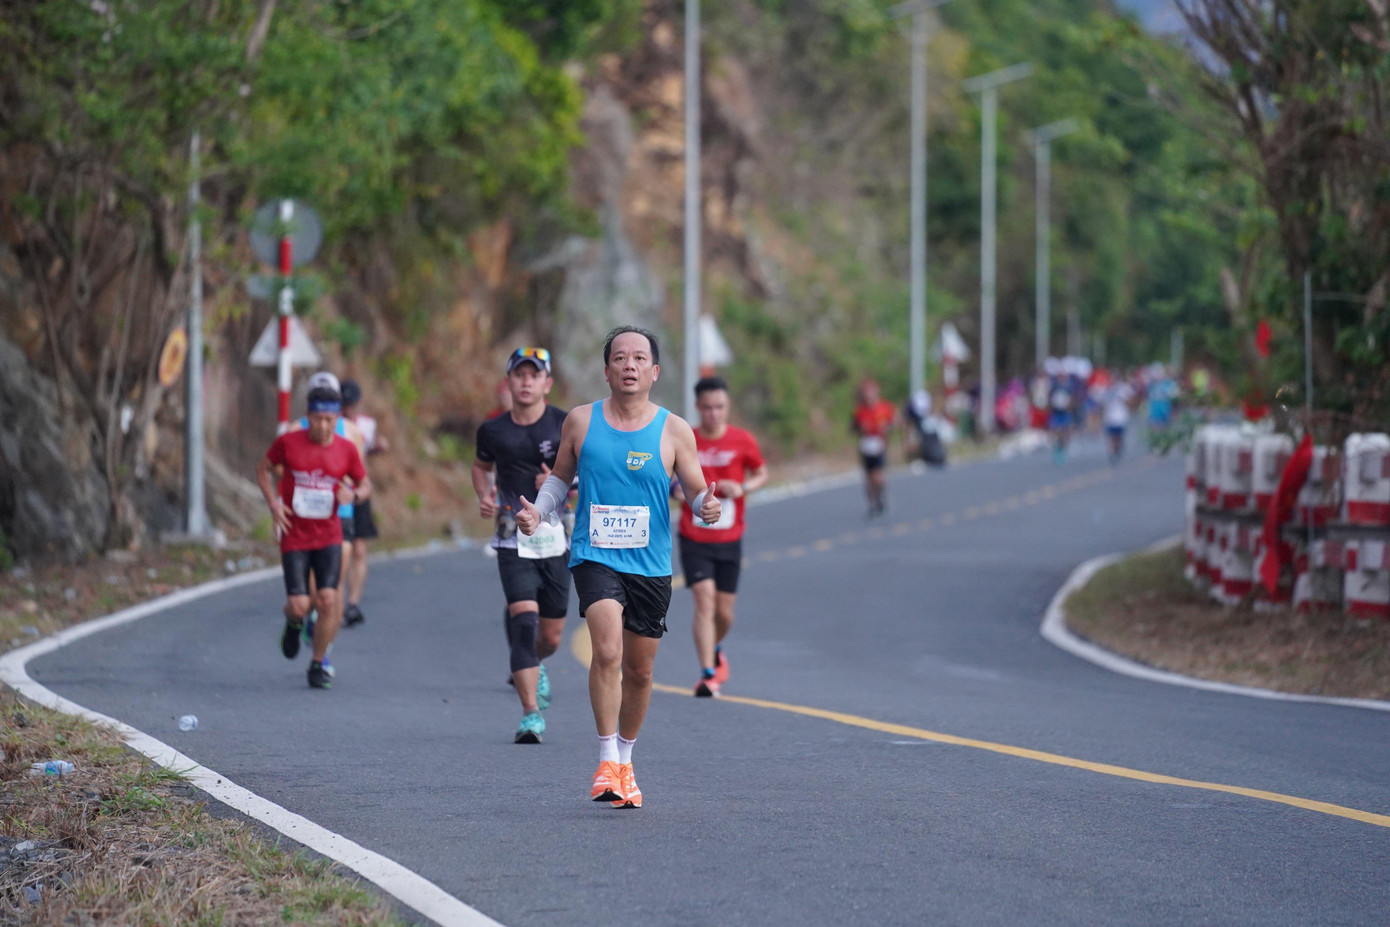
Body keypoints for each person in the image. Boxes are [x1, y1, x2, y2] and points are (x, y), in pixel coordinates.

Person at [515, 326, 720, 810]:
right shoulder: (581, 422)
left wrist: (704, 506)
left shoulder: (674, 430)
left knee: (640, 671)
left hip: (650, 563)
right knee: (605, 649)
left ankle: (626, 761)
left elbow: (694, 489)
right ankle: (606, 757)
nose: (629, 365)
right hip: (595, 553)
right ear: (606, 371)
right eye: (620, 358)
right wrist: (537, 512)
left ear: (654, 372)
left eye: (639, 358)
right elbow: (560, 479)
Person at [471, 347, 570, 744]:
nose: (526, 381)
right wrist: (484, 495)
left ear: (546, 383)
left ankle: (536, 664)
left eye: (535, 375)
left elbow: (584, 474)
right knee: (524, 623)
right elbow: (481, 467)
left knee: (550, 637)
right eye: (519, 374)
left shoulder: (566, 425)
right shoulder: (492, 431)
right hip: (512, 538)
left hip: (555, 539)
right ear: (509, 382)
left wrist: (561, 480)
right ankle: (530, 714)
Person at [256, 383, 371, 689]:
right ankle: (294, 622)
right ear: (308, 416)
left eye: (329, 420)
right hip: (295, 535)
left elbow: (365, 485)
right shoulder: (289, 442)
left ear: (337, 420)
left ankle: (318, 663)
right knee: (299, 604)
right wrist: (273, 503)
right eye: (317, 418)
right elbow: (263, 468)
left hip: (329, 536)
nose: (323, 426)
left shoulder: (346, 449)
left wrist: (354, 494)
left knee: (329, 599)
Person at [676, 376, 767, 697]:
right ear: (698, 408)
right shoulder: (685, 438)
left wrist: (742, 488)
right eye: (707, 408)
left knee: (724, 613)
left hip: (730, 537)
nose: (714, 414)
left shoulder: (742, 440)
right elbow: (671, 480)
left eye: (720, 407)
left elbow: (761, 472)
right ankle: (707, 675)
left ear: (727, 407)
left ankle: (715, 648)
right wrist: (682, 493)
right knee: (704, 599)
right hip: (694, 535)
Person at [340, 379, 387, 627]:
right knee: (337, 551)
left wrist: (378, 447)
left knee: (358, 549)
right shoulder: (329, 425)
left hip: (357, 491)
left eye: (351, 404)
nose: (347, 409)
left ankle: (353, 603)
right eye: (343, 404)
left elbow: (366, 450)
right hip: (335, 492)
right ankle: (333, 600)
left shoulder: (366, 426)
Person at [851, 378, 897, 517]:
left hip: (879, 445)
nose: (868, 396)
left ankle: (880, 497)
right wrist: (861, 428)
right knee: (868, 477)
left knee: (878, 477)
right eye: (866, 393)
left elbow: (894, 422)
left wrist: (886, 427)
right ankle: (872, 504)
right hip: (866, 445)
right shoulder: (860, 410)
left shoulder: (884, 407)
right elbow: (853, 427)